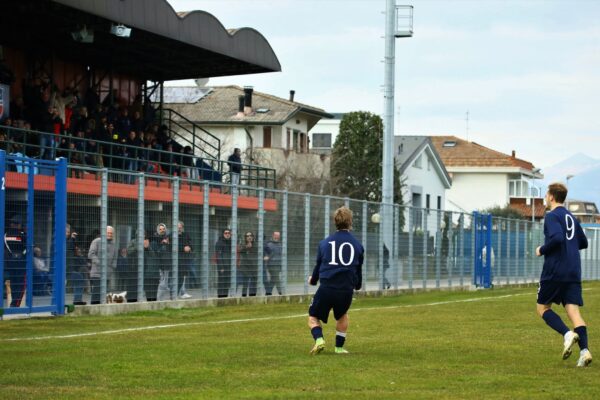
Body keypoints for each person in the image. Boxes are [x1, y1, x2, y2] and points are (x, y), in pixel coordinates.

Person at [535, 182, 592, 367]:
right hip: (573, 270)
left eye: (546, 194)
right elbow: (583, 242)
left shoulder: (552, 216)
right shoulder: (572, 218)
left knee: (542, 308)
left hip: (555, 270)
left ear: (551, 196)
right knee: (574, 312)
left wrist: (542, 249)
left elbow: (558, 238)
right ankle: (584, 352)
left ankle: (567, 334)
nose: (545, 197)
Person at [307, 206, 364, 355]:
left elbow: (319, 266)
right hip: (345, 290)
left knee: (313, 316)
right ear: (350, 222)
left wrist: (313, 280)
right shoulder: (358, 245)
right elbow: (357, 270)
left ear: (335, 221)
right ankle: (339, 348)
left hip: (327, 288)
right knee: (342, 315)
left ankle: (319, 340)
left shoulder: (324, 243)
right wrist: (357, 285)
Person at [88, 226, 117, 304]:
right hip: (96, 273)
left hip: (107, 273)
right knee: (97, 292)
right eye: (108, 233)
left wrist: (112, 268)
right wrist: (99, 263)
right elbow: (91, 254)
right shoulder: (96, 241)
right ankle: (93, 308)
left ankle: (100, 310)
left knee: (103, 293)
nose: (110, 235)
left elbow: (115, 258)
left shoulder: (114, 244)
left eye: (111, 233)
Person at [4, 215, 27, 307]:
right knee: (21, 285)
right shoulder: (22, 235)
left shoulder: (5, 235)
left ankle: (14, 303)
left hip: (10, 263)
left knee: (13, 283)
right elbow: (27, 248)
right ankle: (15, 304)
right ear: (19, 225)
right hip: (21, 263)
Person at [152, 223, 173, 301]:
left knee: (166, 283)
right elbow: (155, 252)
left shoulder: (168, 239)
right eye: (160, 229)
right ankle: (159, 299)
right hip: (158, 264)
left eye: (163, 229)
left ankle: (164, 298)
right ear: (158, 230)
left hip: (167, 264)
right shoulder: (154, 239)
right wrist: (162, 244)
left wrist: (167, 244)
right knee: (162, 283)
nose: (162, 230)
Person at [177, 221, 193, 299]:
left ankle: (182, 292)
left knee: (183, 276)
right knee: (176, 277)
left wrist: (189, 248)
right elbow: (172, 246)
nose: (179, 229)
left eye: (180, 227)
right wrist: (183, 248)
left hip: (185, 259)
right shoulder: (172, 235)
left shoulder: (186, 235)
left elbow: (191, 244)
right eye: (178, 227)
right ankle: (176, 293)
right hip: (176, 259)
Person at [239, 231, 258, 297]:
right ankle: (244, 296)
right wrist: (246, 247)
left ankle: (252, 296)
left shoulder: (256, 245)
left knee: (254, 282)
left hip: (254, 266)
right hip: (245, 267)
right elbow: (239, 251)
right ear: (245, 238)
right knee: (245, 282)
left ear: (252, 237)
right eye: (247, 236)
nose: (249, 237)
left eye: (250, 236)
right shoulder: (243, 244)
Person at [263, 231, 283, 296]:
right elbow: (265, 253)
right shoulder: (269, 244)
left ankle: (268, 293)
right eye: (275, 235)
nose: (277, 236)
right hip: (271, 264)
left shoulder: (280, 245)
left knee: (273, 279)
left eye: (278, 235)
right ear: (273, 235)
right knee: (276, 278)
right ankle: (281, 293)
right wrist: (266, 257)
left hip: (278, 264)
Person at [215, 229, 232, 298]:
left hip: (230, 265)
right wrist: (221, 267)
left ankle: (225, 296)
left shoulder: (231, 242)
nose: (227, 234)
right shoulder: (219, 242)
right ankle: (220, 297)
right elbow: (218, 255)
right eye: (225, 233)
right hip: (222, 265)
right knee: (221, 281)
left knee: (227, 282)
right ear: (223, 234)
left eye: (228, 233)